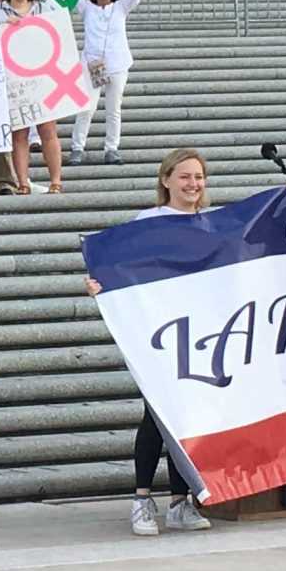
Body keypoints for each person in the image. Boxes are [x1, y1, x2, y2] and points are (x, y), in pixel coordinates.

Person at [84, 146, 215, 537]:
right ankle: (142, 499)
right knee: (155, 416)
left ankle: (179, 501)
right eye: (185, 176)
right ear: (166, 180)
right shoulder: (149, 221)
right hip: (158, 331)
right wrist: (100, 285)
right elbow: (120, 265)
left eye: (199, 177)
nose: (193, 184)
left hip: (203, 332)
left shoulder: (213, 224)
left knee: (184, 416)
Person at [0, 0, 67, 196]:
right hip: (14, 80)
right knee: (19, 134)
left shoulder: (44, 9)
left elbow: (59, 34)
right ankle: (22, 181)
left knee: (48, 130)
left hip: (43, 76)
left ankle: (56, 180)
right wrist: (5, 27)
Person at [74, 0, 160, 165]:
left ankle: (111, 149)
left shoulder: (121, 7)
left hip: (118, 65)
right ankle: (77, 148)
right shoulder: (86, 8)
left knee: (113, 109)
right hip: (91, 64)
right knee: (87, 108)